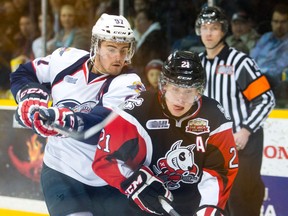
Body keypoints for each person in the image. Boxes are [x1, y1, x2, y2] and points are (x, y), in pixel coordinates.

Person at [39, 50, 239, 215]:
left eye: (188, 91)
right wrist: (137, 183)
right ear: (164, 85)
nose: (180, 99)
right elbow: (104, 159)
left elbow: (220, 171)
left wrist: (207, 211)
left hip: (194, 206)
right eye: (175, 89)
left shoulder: (214, 116)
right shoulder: (137, 109)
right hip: (143, 209)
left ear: (198, 91)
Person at [10, 13, 145, 216]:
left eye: (124, 50)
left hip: (109, 181)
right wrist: (29, 94)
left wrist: (65, 120)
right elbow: (22, 73)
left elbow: (103, 125)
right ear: (96, 45)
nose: (119, 57)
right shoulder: (65, 59)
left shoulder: (129, 83)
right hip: (61, 172)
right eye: (111, 48)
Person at [195, 6, 275, 216]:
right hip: (212, 148)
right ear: (198, 31)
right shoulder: (198, 64)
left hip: (243, 145)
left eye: (214, 28)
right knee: (216, 204)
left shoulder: (240, 62)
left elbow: (266, 99)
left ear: (223, 31)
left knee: (242, 203)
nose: (209, 33)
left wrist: (246, 130)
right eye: (204, 27)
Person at [250, 3, 288, 97]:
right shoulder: (265, 38)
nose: (279, 26)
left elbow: (278, 69)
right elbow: (251, 59)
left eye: (283, 22)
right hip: (256, 81)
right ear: (271, 22)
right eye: (276, 21)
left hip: (276, 83)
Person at [132, 9, 169, 85]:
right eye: (136, 19)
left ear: (150, 22)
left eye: (141, 19)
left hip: (150, 82)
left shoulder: (155, 38)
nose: (137, 22)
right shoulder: (134, 37)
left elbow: (152, 64)